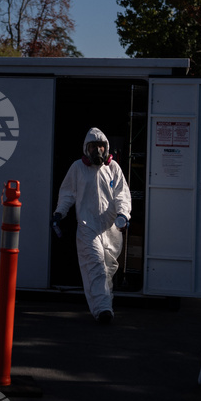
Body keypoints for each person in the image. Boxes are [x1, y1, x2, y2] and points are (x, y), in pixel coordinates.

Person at [52, 127, 131, 325]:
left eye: (101, 146)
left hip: (111, 228)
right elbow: (67, 194)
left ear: (106, 148)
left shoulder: (113, 168)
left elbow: (122, 194)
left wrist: (123, 214)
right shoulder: (77, 168)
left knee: (108, 269)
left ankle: (105, 303)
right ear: (86, 149)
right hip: (88, 227)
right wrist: (59, 213)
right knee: (95, 267)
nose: (98, 151)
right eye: (93, 146)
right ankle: (103, 310)